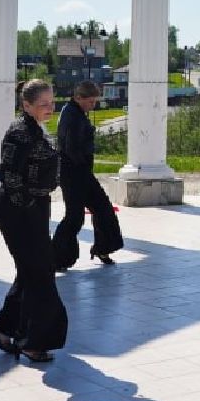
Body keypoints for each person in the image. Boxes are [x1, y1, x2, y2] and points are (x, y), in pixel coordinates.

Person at [0, 79, 67, 363]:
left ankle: (3, 329)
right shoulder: (19, 132)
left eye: (51, 102)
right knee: (40, 274)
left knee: (30, 272)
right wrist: (29, 204)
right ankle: (33, 341)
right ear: (26, 105)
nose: (50, 108)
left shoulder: (36, 129)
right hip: (18, 212)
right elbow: (9, 175)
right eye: (43, 104)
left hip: (33, 209)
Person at [51, 80, 123, 270]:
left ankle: (102, 248)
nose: (94, 105)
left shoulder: (74, 112)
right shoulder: (72, 116)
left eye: (95, 101)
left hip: (79, 172)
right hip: (74, 173)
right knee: (75, 217)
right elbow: (71, 148)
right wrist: (82, 168)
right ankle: (56, 258)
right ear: (78, 98)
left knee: (102, 209)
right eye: (91, 102)